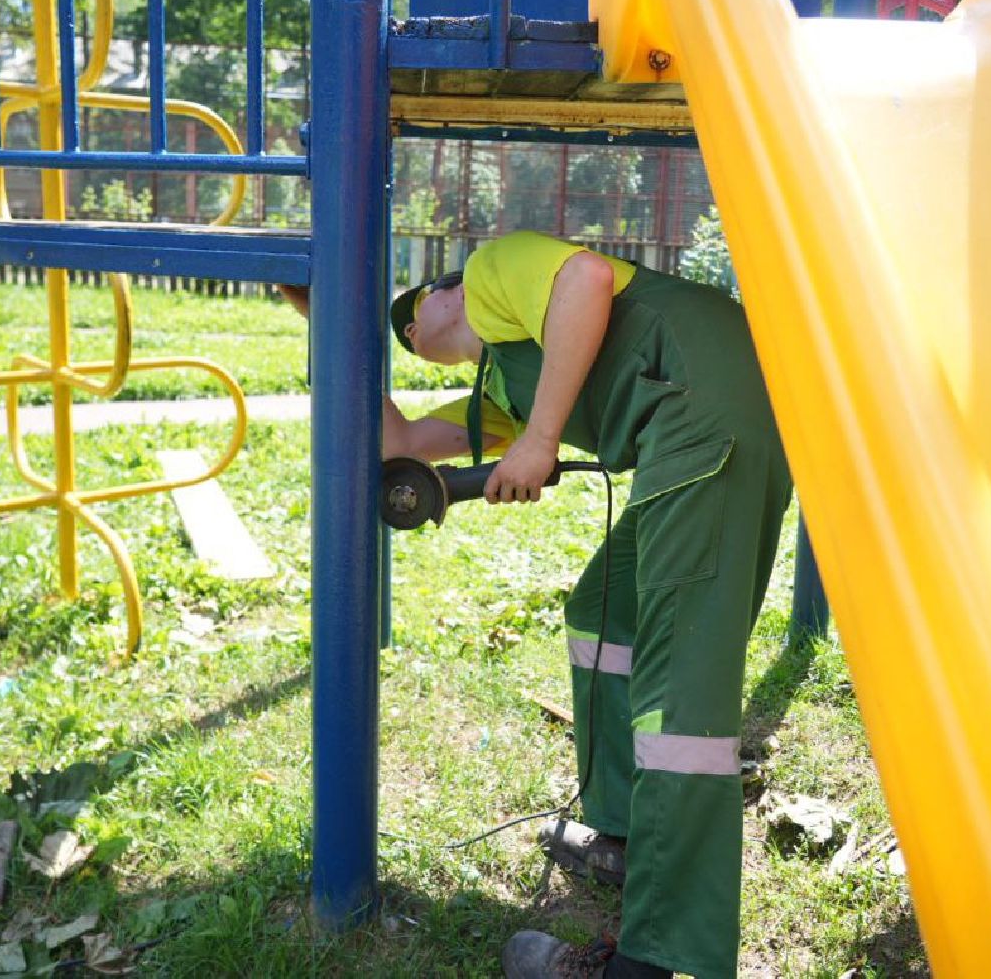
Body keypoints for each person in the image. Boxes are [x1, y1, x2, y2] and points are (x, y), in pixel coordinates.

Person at [281, 230, 792, 979]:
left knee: (680, 704)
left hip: (707, 417)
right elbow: (399, 442)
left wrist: (541, 439)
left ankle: (650, 961)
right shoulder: (507, 387)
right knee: (601, 613)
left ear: (439, 300)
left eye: (411, 319)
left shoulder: (492, 273)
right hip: (693, 435)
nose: (417, 335)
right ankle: (620, 834)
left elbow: (583, 278)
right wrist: (325, 328)